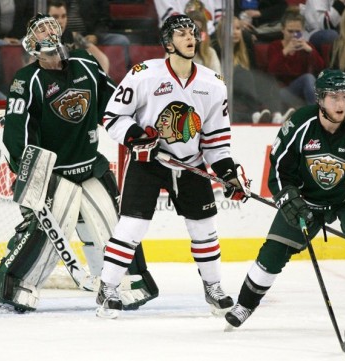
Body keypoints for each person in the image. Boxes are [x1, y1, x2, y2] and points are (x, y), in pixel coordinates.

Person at [224, 69, 345, 334]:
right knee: (273, 252)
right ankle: (244, 305)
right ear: (320, 99)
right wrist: (288, 199)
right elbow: (279, 169)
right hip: (307, 200)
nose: (340, 103)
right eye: (333, 96)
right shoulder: (300, 123)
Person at [0, 13, 158, 313]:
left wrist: (136, 129)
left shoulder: (84, 61)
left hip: (90, 164)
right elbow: (17, 133)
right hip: (54, 175)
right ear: (31, 41)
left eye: (50, 25)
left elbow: (114, 102)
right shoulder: (27, 80)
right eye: (39, 28)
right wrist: (27, 172)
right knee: (45, 236)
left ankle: (126, 283)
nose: (47, 30)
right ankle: (11, 285)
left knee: (117, 227)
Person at [95, 14, 252, 319]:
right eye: (181, 34)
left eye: (192, 32)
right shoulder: (144, 75)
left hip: (190, 164)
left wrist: (228, 174)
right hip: (148, 163)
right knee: (132, 227)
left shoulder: (212, 83)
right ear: (168, 43)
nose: (190, 37)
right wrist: (137, 136)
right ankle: (108, 288)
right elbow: (112, 117)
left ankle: (213, 287)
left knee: (204, 229)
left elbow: (216, 139)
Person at [214, 16, 284, 123]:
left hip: (244, 86)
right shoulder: (216, 49)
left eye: (237, 29)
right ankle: (254, 113)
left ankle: (276, 115)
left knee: (267, 79)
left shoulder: (246, 50)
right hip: (225, 86)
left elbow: (254, 71)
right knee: (242, 73)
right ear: (221, 32)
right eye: (231, 29)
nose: (235, 32)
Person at [268, 7, 324, 112]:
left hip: (303, 89)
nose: (294, 35)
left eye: (297, 32)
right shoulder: (274, 46)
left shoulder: (307, 47)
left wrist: (310, 51)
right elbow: (271, 69)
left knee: (308, 78)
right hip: (281, 91)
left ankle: (315, 113)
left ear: (302, 31)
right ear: (282, 29)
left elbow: (320, 68)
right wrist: (285, 51)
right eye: (290, 31)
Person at [46, 0, 110, 74]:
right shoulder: (36, 40)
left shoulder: (73, 36)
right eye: (55, 17)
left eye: (63, 16)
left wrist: (102, 80)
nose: (60, 21)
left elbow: (102, 59)